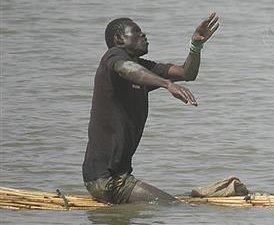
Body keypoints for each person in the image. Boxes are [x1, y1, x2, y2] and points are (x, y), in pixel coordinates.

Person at [82, 13, 220, 204]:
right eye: (136, 32)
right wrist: (168, 85)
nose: (143, 34)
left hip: (120, 176)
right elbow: (126, 68)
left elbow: (187, 73)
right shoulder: (113, 58)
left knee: (170, 206)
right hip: (105, 179)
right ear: (119, 39)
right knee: (174, 207)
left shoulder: (145, 68)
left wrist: (195, 45)